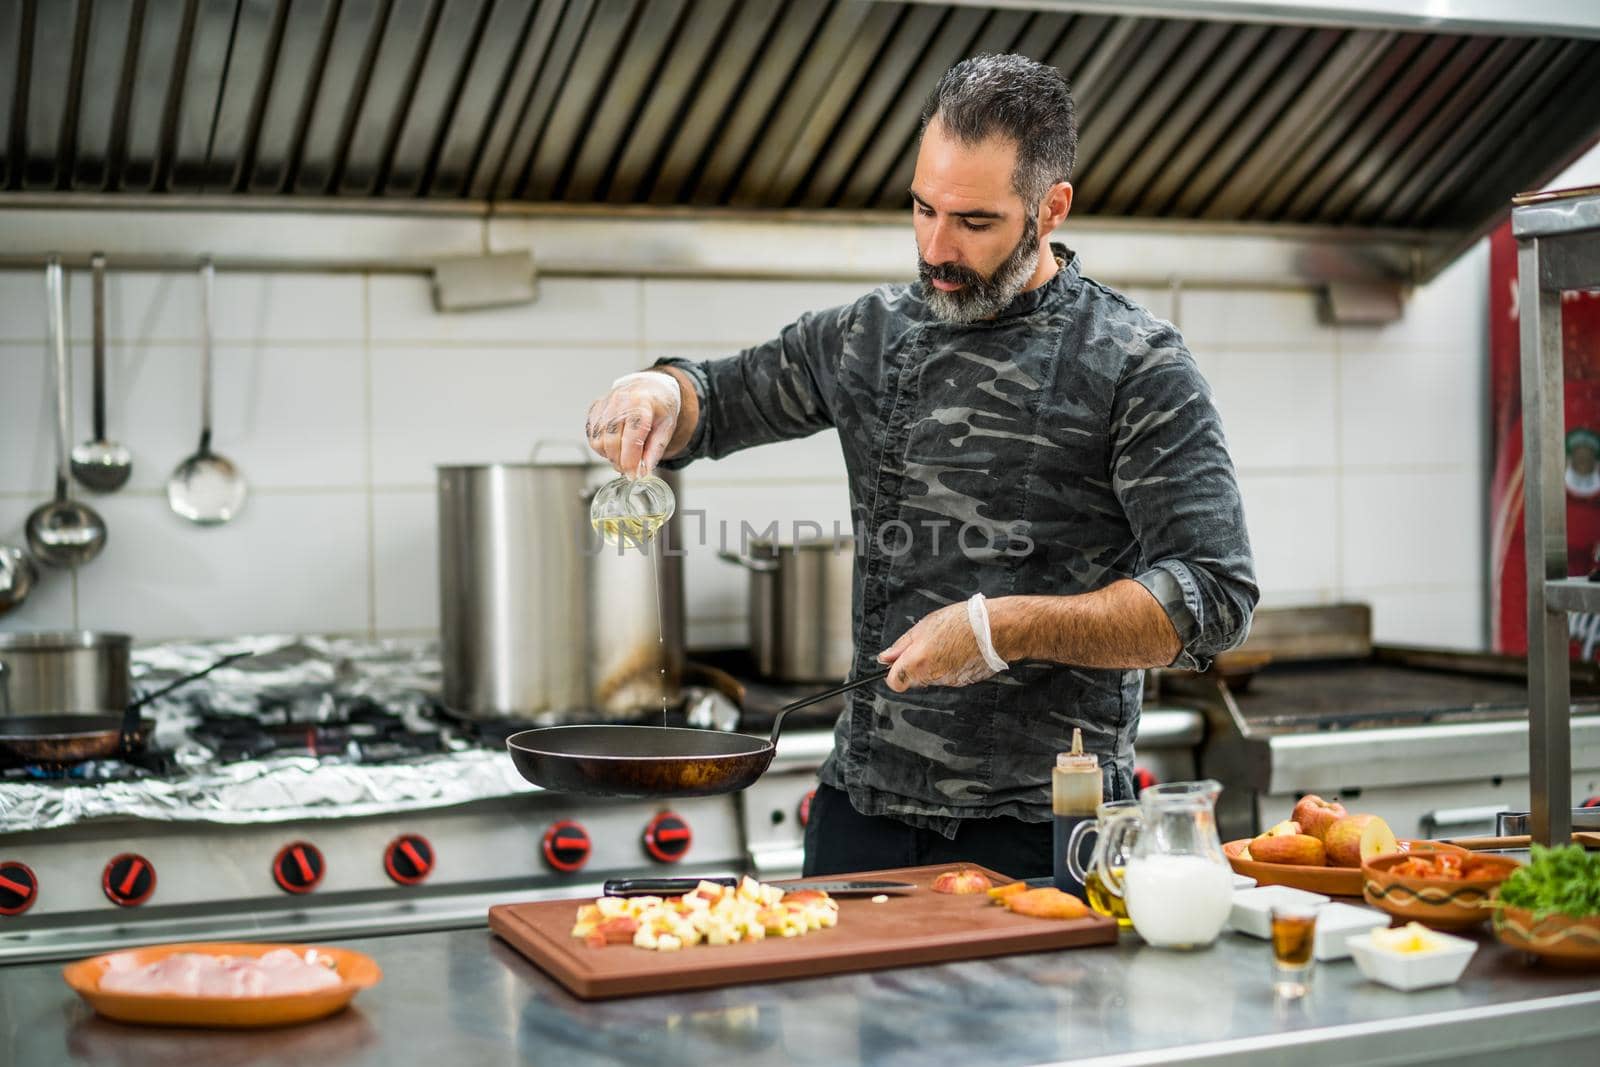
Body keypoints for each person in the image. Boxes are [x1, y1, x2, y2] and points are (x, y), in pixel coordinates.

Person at [583, 54, 1257, 878]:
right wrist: (658, 393)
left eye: (974, 222)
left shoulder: (1135, 361)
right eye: (922, 208)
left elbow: (1214, 593)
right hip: (862, 815)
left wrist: (1004, 629)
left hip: (1048, 827)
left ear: (1051, 209)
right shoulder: (870, 334)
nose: (937, 247)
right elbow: (719, 399)